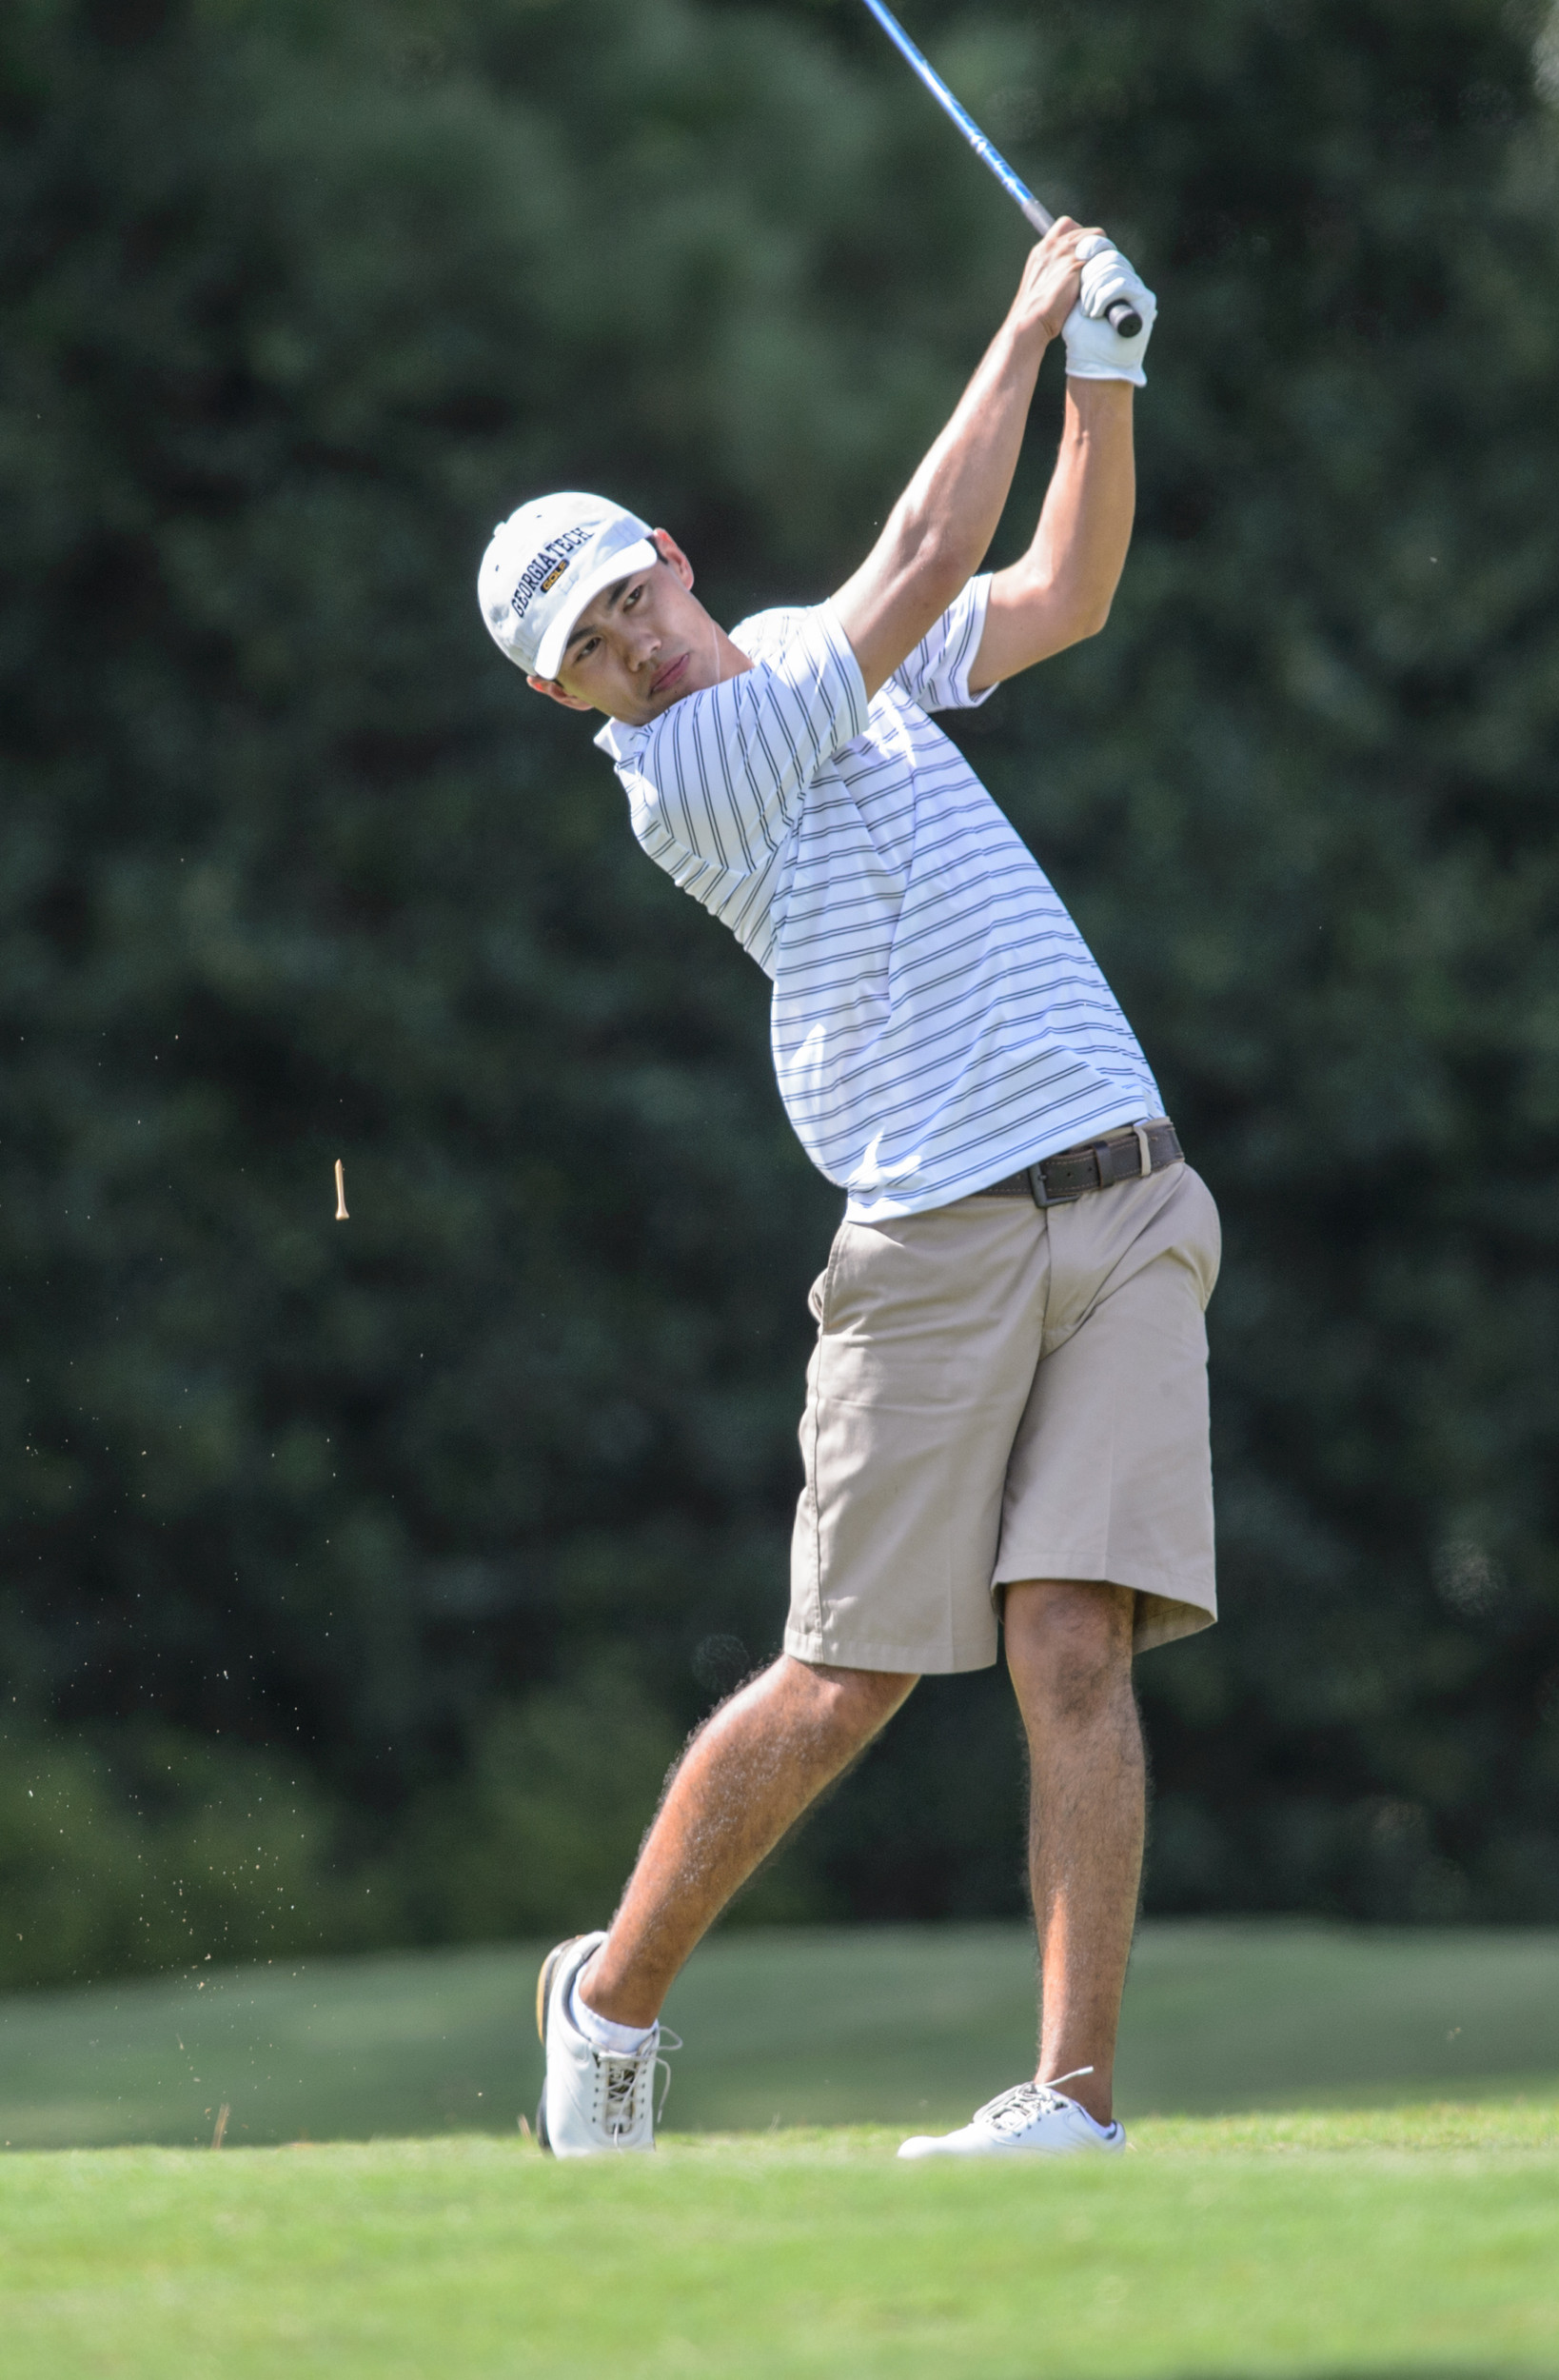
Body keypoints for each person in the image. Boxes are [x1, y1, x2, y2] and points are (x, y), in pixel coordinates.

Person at [477, 219, 1219, 2159]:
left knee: (1075, 1636)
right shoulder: (695, 766)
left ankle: (1069, 2104)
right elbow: (909, 568)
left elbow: (1056, 588)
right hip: (930, 1229)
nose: (626, 643)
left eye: (623, 595)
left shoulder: (821, 662)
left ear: (668, 553)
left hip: (1128, 1191)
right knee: (848, 1678)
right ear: (572, 702)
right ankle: (608, 1997)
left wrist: (1107, 382)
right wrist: (1028, 316)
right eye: (587, 652)